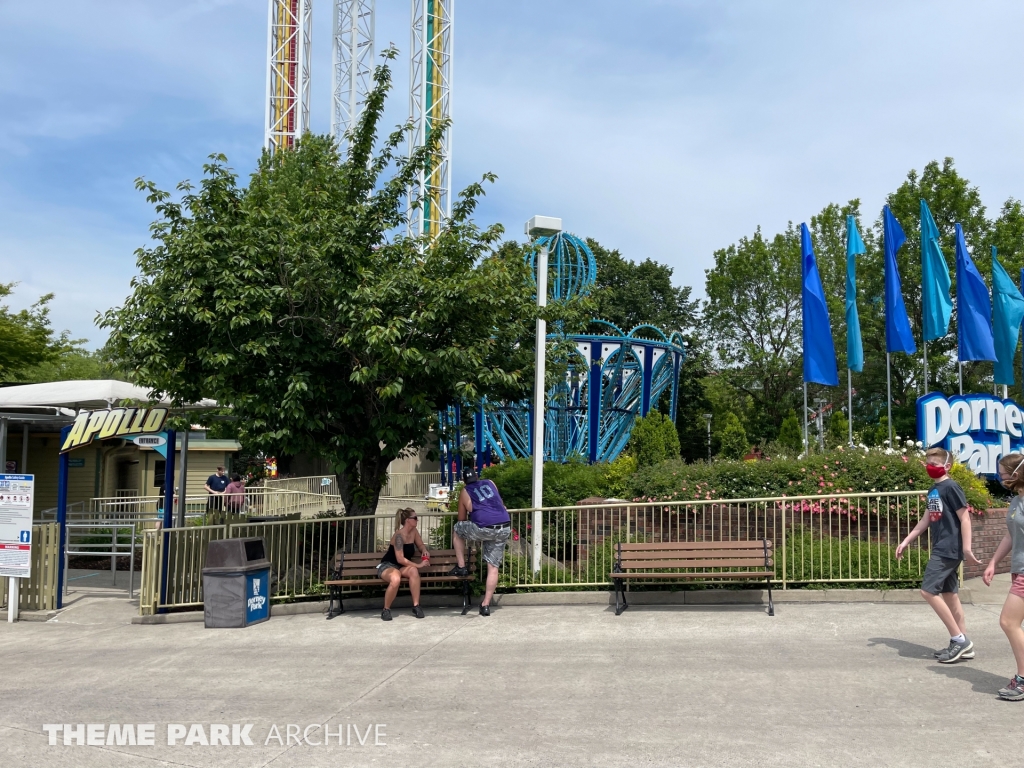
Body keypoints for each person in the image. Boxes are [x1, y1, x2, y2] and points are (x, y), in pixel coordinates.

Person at [896, 447, 980, 663]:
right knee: (950, 594)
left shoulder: (951, 487)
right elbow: (926, 520)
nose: (930, 467)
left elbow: (965, 518)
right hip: (942, 547)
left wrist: (967, 548)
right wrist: (906, 541)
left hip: (948, 549)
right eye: (928, 463)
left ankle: (959, 640)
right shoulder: (934, 489)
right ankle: (963, 644)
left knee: (927, 591)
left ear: (947, 466)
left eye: (934, 463)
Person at [982, 453, 1024, 701]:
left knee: (1008, 622)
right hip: (1018, 569)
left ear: (1016, 474)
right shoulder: (1016, 501)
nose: (1001, 477)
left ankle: (1022, 680)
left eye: (1003, 472)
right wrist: (993, 562)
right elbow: (1010, 536)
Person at [450, 467, 511, 616]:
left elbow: (461, 519)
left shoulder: (465, 491)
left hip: (484, 527)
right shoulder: (490, 483)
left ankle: (461, 566)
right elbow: (501, 504)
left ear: (464, 480)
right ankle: (485, 605)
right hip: (504, 526)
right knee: (493, 567)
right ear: (477, 476)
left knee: (457, 529)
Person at [377, 507, 431, 621]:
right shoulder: (399, 536)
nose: (417, 520)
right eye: (415, 518)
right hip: (388, 565)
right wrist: (420, 565)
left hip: (402, 567)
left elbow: (420, 545)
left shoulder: (414, 532)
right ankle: (386, 609)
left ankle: (416, 606)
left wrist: (424, 550)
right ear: (407, 520)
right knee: (395, 579)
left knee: (413, 571)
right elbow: (400, 559)